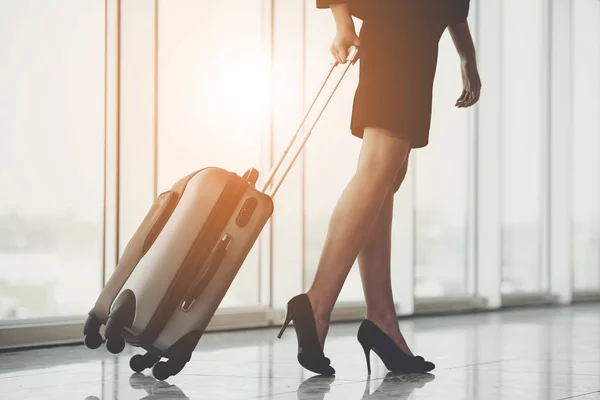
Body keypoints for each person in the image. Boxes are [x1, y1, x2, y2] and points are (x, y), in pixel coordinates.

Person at [277, 0, 482, 376]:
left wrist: (466, 57)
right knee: (376, 171)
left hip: (420, 39)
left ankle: (381, 320)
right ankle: (317, 303)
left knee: (386, 178)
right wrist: (342, 23)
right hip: (399, 29)